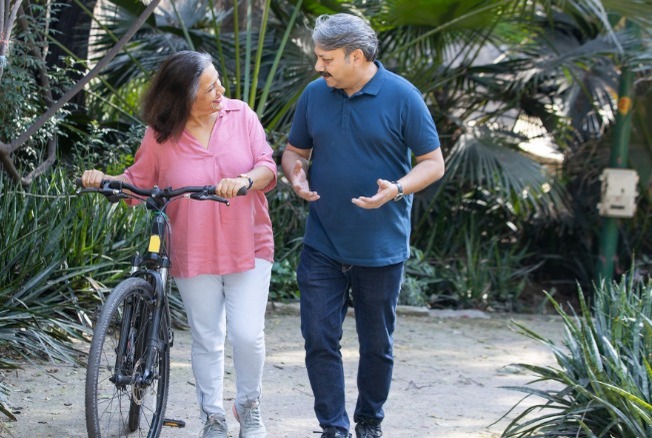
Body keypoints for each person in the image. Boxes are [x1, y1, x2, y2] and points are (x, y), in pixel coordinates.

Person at [81, 51, 277, 438]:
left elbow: (267, 167)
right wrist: (103, 179)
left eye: (218, 81)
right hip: (193, 247)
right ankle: (213, 416)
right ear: (184, 97)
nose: (221, 90)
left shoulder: (241, 116)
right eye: (210, 87)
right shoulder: (160, 135)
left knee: (247, 334)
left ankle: (249, 406)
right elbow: (138, 182)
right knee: (207, 336)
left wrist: (243, 180)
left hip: (248, 244)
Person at [280, 13, 445, 438]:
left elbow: (433, 163)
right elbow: (295, 151)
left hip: (380, 249)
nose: (319, 67)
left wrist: (397, 189)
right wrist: (295, 173)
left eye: (326, 58)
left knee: (376, 345)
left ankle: (369, 422)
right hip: (322, 243)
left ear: (356, 56)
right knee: (318, 338)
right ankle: (333, 429)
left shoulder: (403, 96)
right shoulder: (315, 94)